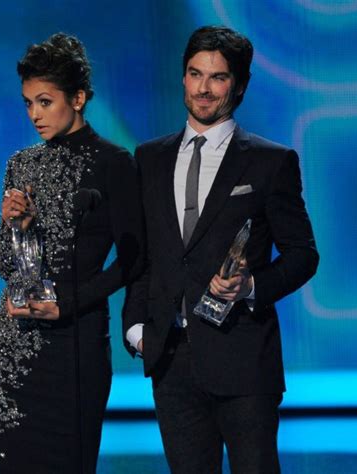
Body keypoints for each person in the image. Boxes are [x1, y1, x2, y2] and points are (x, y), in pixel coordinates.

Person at [123, 26, 319, 474]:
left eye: (217, 78)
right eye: (195, 74)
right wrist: (137, 328)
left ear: (240, 85)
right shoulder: (149, 159)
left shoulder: (271, 162)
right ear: (183, 77)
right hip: (171, 359)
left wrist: (251, 285)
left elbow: (303, 254)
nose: (204, 89)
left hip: (244, 359)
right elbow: (144, 254)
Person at [0, 32, 144, 473]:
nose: (34, 114)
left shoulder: (114, 164)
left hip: (74, 346)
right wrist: (17, 228)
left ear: (79, 98)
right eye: (28, 103)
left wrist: (68, 304)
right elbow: (4, 264)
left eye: (45, 102)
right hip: (14, 350)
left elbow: (135, 260)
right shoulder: (22, 163)